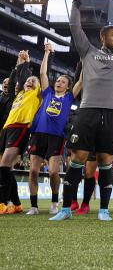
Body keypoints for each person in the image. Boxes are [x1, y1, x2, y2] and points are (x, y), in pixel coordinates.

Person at [51, 0, 113, 222]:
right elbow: (76, 28)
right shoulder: (88, 52)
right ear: (103, 37)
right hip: (88, 112)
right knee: (78, 158)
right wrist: (76, 1)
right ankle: (66, 209)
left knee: (105, 161)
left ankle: (104, 209)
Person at [26, 43, 83, 215]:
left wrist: (87, 61)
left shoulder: (69, 97)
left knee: (52, 172)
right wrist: (46, 53)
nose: (58, 82)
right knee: (34, 171)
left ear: (67, 86)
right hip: (38, 134)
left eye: (62, 81)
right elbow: (43, 73)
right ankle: (34, 206)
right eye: (58, 80)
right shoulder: (48, 93)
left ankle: (53, 202)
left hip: (56, 137)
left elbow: (81, 80)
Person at [0, 51, 41, 214]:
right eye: (28, 81)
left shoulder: (35, 95)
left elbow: (25, 77)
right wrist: (18, 65)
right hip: (7, 129)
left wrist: (25, 64)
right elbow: (12, 85)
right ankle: (16, 204)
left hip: (21, 128)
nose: (29, 82)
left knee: (4, 166)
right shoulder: (19, 95)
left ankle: (2, 203)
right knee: (5, 168)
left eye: (33, 81)